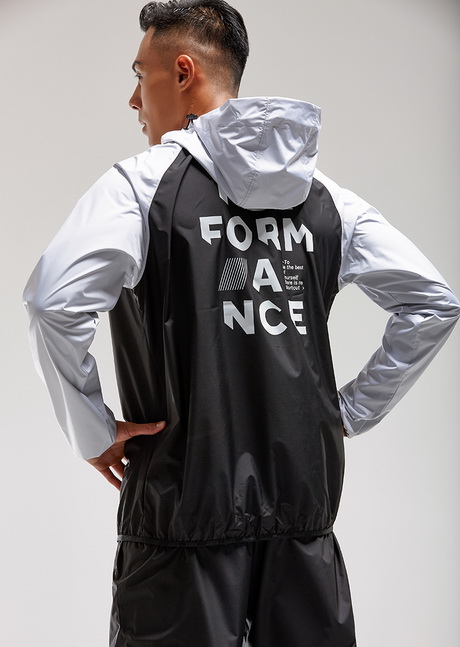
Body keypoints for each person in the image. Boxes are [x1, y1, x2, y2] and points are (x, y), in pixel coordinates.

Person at [23, 1, 459, 645]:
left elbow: (51, 303)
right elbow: (432, 302)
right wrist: (347, 412)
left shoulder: (140, 189)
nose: (133, 100)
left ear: (182, 72)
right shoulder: (327, 199)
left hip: (179, 523)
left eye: (140, 75)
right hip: (303, 528)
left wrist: (91, 427)